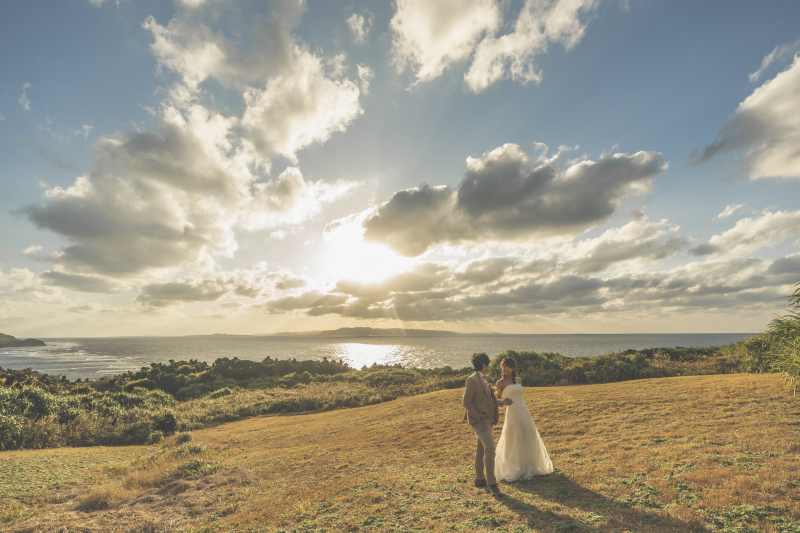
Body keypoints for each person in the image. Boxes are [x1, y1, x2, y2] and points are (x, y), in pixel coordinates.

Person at [494, 356, 554, 482]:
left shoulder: (519, 380)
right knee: (514, 437)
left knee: (528, 435)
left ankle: (529, 464)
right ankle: (516, 466)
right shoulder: (500, 383)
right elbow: (496, 399)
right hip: (512, 413)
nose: (506, 369)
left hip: (523, 410)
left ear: (513, 368)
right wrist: (504, 401)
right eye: (504, 366)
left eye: (509, 366)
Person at [462, 352, 512, 497]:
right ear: (484, 365)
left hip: (488, 419)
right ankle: (492, 484)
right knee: (490, 447)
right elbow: (466, 402)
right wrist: (478, 416)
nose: (489, 366)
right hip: (479, 421)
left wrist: (503, 402)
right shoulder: (472, 380)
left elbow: (490, 399)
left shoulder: (483, 378)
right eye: (488, 364)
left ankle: (479, 478)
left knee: (481, 448)